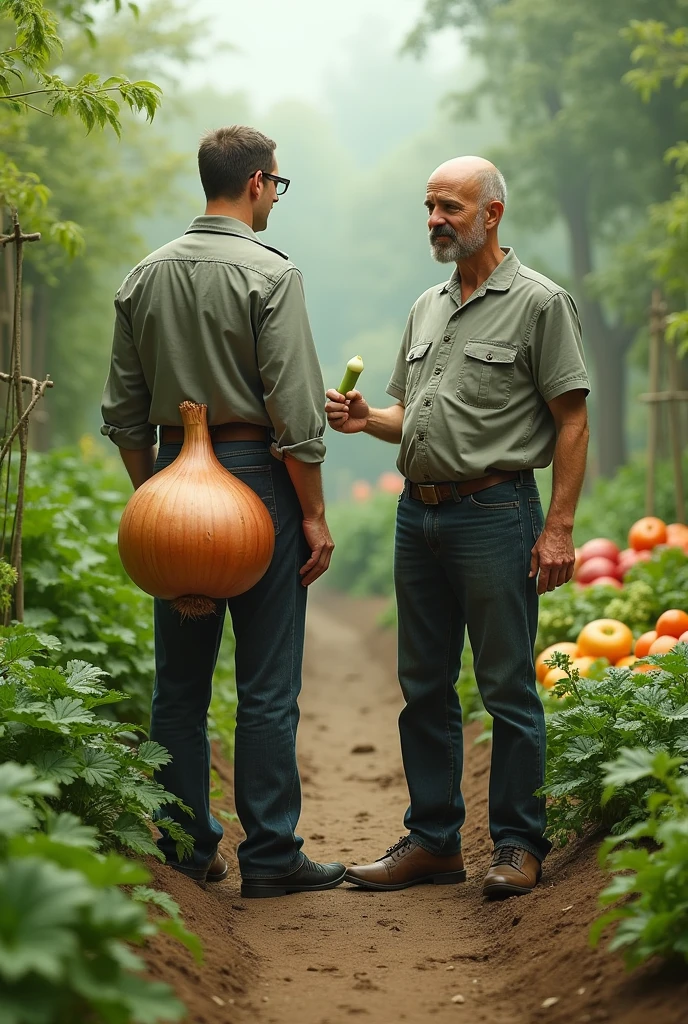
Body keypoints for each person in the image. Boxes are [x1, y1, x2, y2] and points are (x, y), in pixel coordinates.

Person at [326, 156, 590, 899]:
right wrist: (364, 420)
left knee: (507, 686)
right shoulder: (427, 305)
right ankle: (435, 840)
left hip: (496, 513)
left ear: (492, 213)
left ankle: (516, 843)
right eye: (429, 206)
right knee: (424, 685)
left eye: (449, 207)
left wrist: (560, 527)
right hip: (420, 515)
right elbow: (409, 418)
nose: (435, 220)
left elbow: (572, 419)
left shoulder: (541, 304)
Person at [102, 125, 346, 898]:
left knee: (179, 685)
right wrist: (312, 513)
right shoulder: (271, 275)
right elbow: (297, 412)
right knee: (268, 682)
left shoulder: (143, 276)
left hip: (176, 474)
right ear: (258, 184)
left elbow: (123, 412)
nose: (275, 195)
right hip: (256, 476)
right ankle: (271, 857)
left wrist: (155, 497)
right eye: (277, 184)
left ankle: (182, 848)